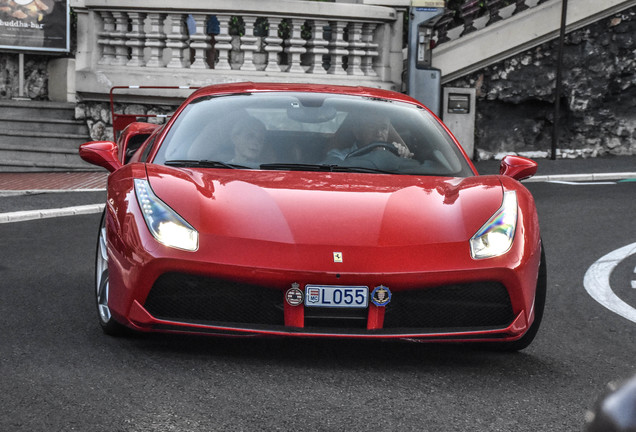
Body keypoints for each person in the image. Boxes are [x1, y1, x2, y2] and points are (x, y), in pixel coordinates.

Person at [326, 112, 413, 161]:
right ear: (357, 133)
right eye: (372, 127)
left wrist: (403, 159)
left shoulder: (394, 156)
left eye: (383, 128)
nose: (378, 133)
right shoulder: (339, 157)